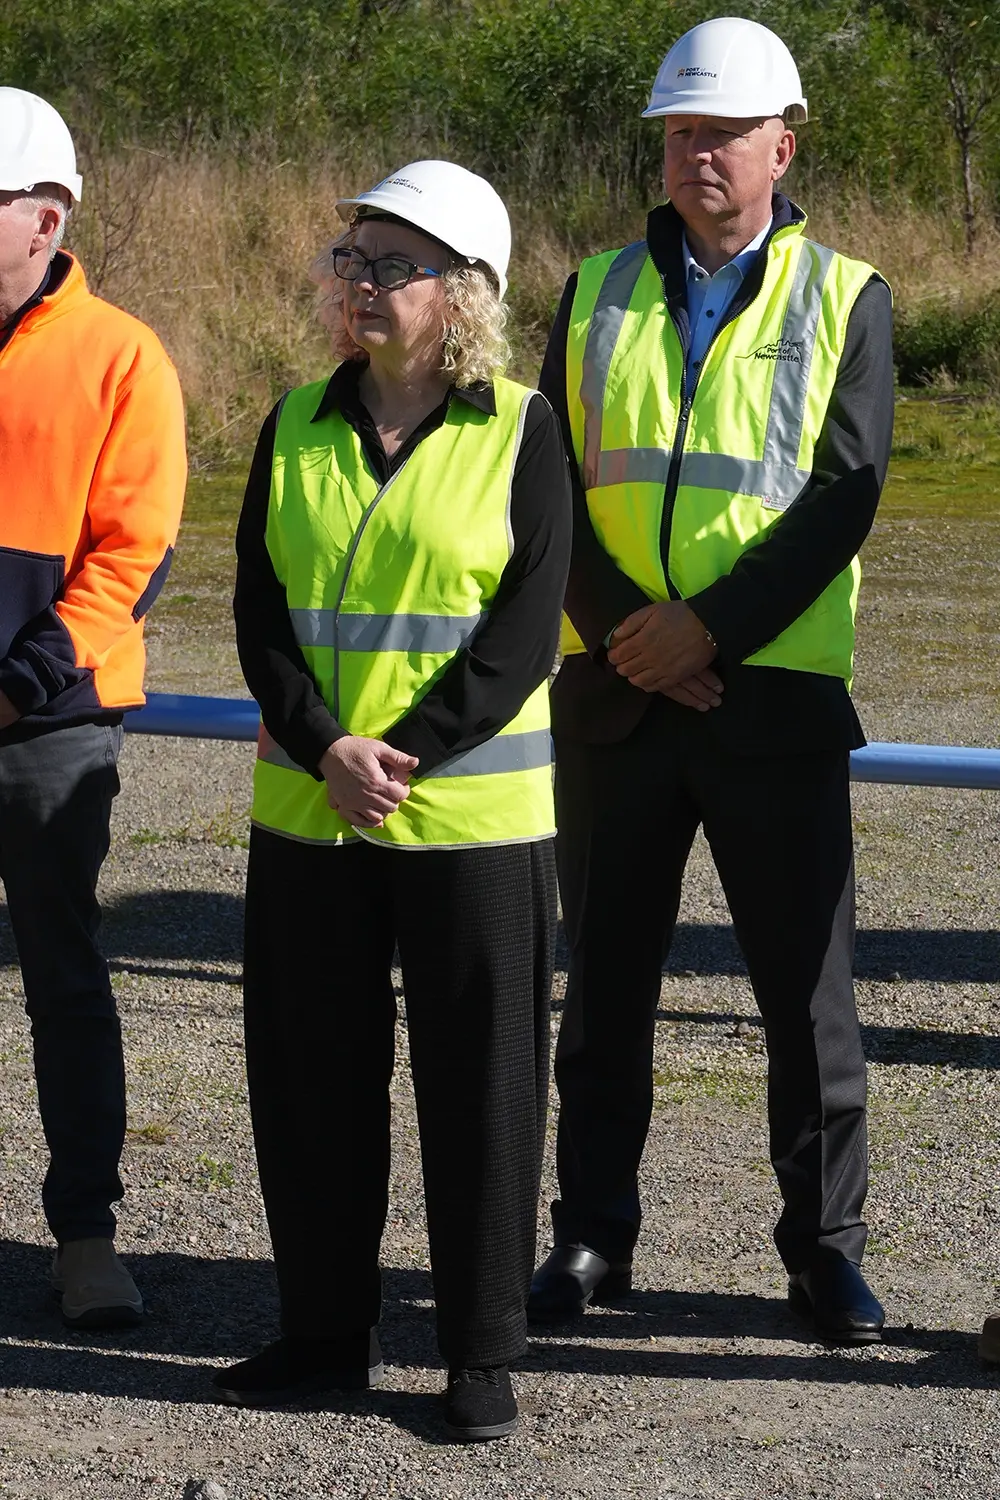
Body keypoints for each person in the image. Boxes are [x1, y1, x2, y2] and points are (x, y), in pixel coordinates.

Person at [527, 18, 894, 1344]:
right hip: (617, 692)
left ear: (780, 147)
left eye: (725, 133)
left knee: (807, 999)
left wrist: (710, 633)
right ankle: (589, 1238)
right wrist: (634, 634)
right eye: (682, 132)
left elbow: (842, 498)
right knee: (604, 989)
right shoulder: (594, 290)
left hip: (770, 699)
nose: (699, 154)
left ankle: (824, 1253)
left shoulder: (846, 297)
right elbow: (547, 480)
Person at [221, 160, 571, 1440]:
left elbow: (522, 634)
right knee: (311, 1079)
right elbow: (260, 611)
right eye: (350, 261)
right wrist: (327, 748)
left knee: (481, 1088)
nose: (358, 284)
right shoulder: (293, 423)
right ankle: (323, 1332)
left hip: (468, 820)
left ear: (462, 292)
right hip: (313, 813)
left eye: (391, 265)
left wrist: (399, 754)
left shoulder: (522, 429)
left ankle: (479, 1352)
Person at [0, 89, 187, 1325]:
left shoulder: (120, 355)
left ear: (45, 216)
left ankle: (85, 1236)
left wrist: (18, 685)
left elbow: (135, 554)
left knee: (62, 977)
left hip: (50, 731)